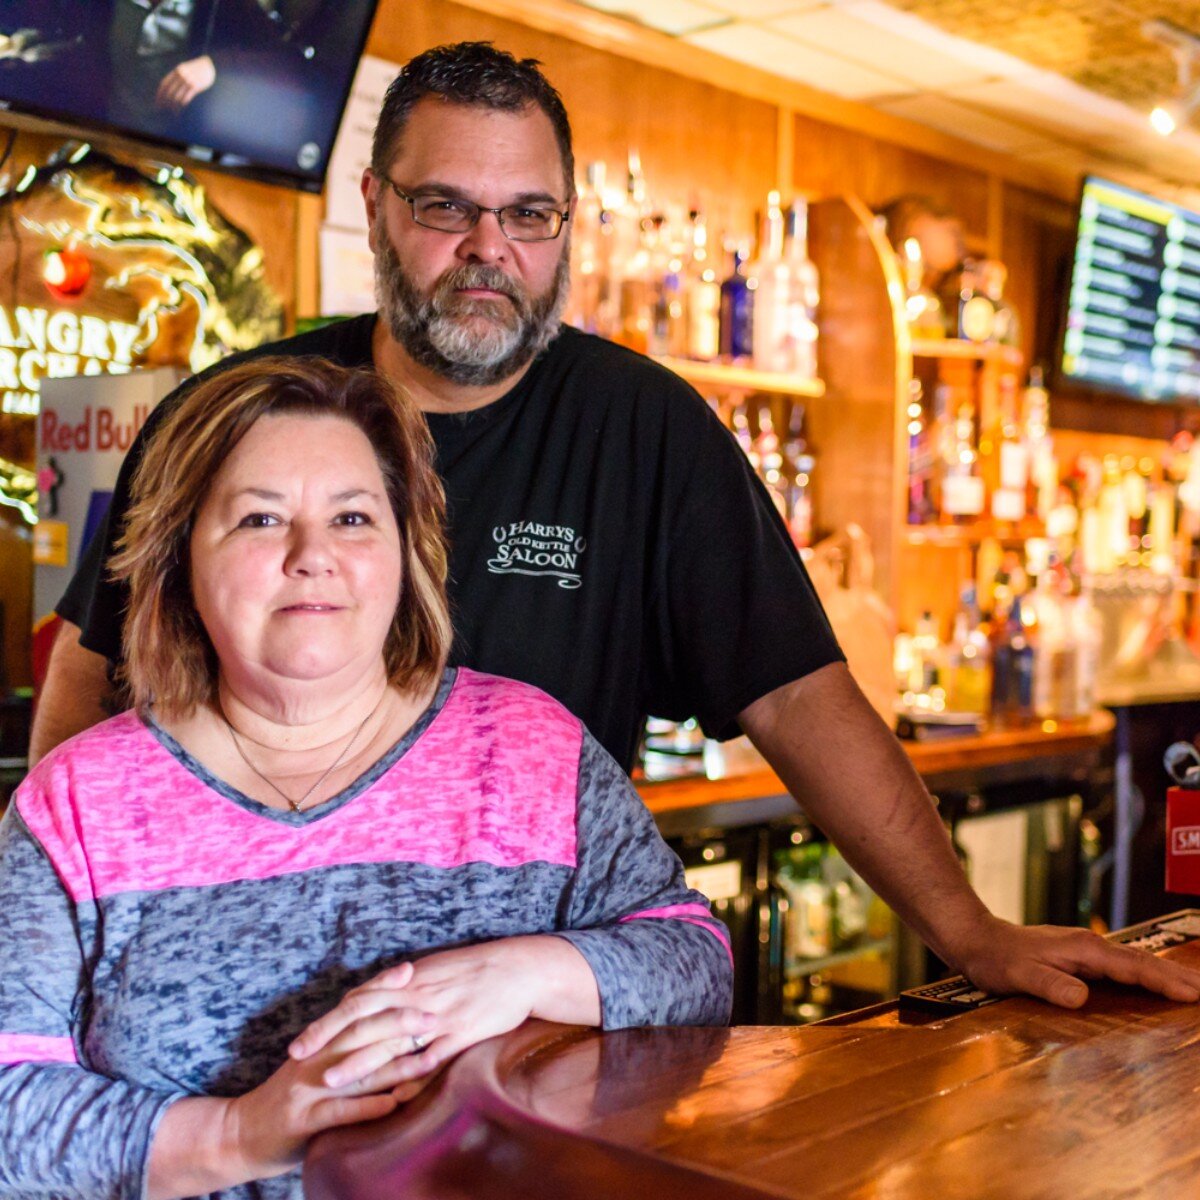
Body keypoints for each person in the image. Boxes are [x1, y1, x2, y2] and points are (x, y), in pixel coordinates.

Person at [33, 41, 1200, 1012]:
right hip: (225, 1011)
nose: (490, 249)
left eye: (528, 214)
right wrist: (53, 918)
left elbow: (796, 693)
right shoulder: (236, 417)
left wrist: (968, 929)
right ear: (378, 209)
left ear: (568, 226)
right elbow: (93, 670)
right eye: (447, 207)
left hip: (527, 1019)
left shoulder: (645, 430)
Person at [0, 357, 732, 1199]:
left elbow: (697, 959)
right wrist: (239, 1135)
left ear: (404, 550)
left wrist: (527, 973)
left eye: (352, 517)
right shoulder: (78, 804)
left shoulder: (530, 750)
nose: (314, 557)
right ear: (178, 556)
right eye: (260, 520)